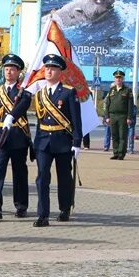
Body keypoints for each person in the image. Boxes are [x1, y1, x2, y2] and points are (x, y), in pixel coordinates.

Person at [32, 54, 82, 227]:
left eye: (53, 68)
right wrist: (35, 144)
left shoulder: (68, 92)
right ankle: (42, 215)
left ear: (60, 72)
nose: (49, 71)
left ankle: (64, 208)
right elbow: (39, 122)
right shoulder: (39, 94)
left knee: (64, 178)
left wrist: (77, 142)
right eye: (47, 68)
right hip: (44, 142)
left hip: (62, 141)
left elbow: (76, 119)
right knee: (42, 178)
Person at [0, 53, 32, 220]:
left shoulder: (24, 92)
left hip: (18, 137)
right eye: (6, 68)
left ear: (18, 72)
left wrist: (12, 116)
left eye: (12, 69)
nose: (9, 71)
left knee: (19, 173)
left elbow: (24, 106)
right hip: (0, 137)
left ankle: (21, 206)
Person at [104, 70, 133, 160]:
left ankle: (121, 154)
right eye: (117, 78)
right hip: (113, 116)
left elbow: (130, 105)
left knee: (122, 136)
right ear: (114, 79)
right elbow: (107, 104)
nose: (118, 79)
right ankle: (115, 152)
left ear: (123, 79)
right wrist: (107, 117)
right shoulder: (111, 90)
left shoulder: (127, 90)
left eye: (120, 78)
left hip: (122, 116)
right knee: (114, 135)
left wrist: (129, 117)